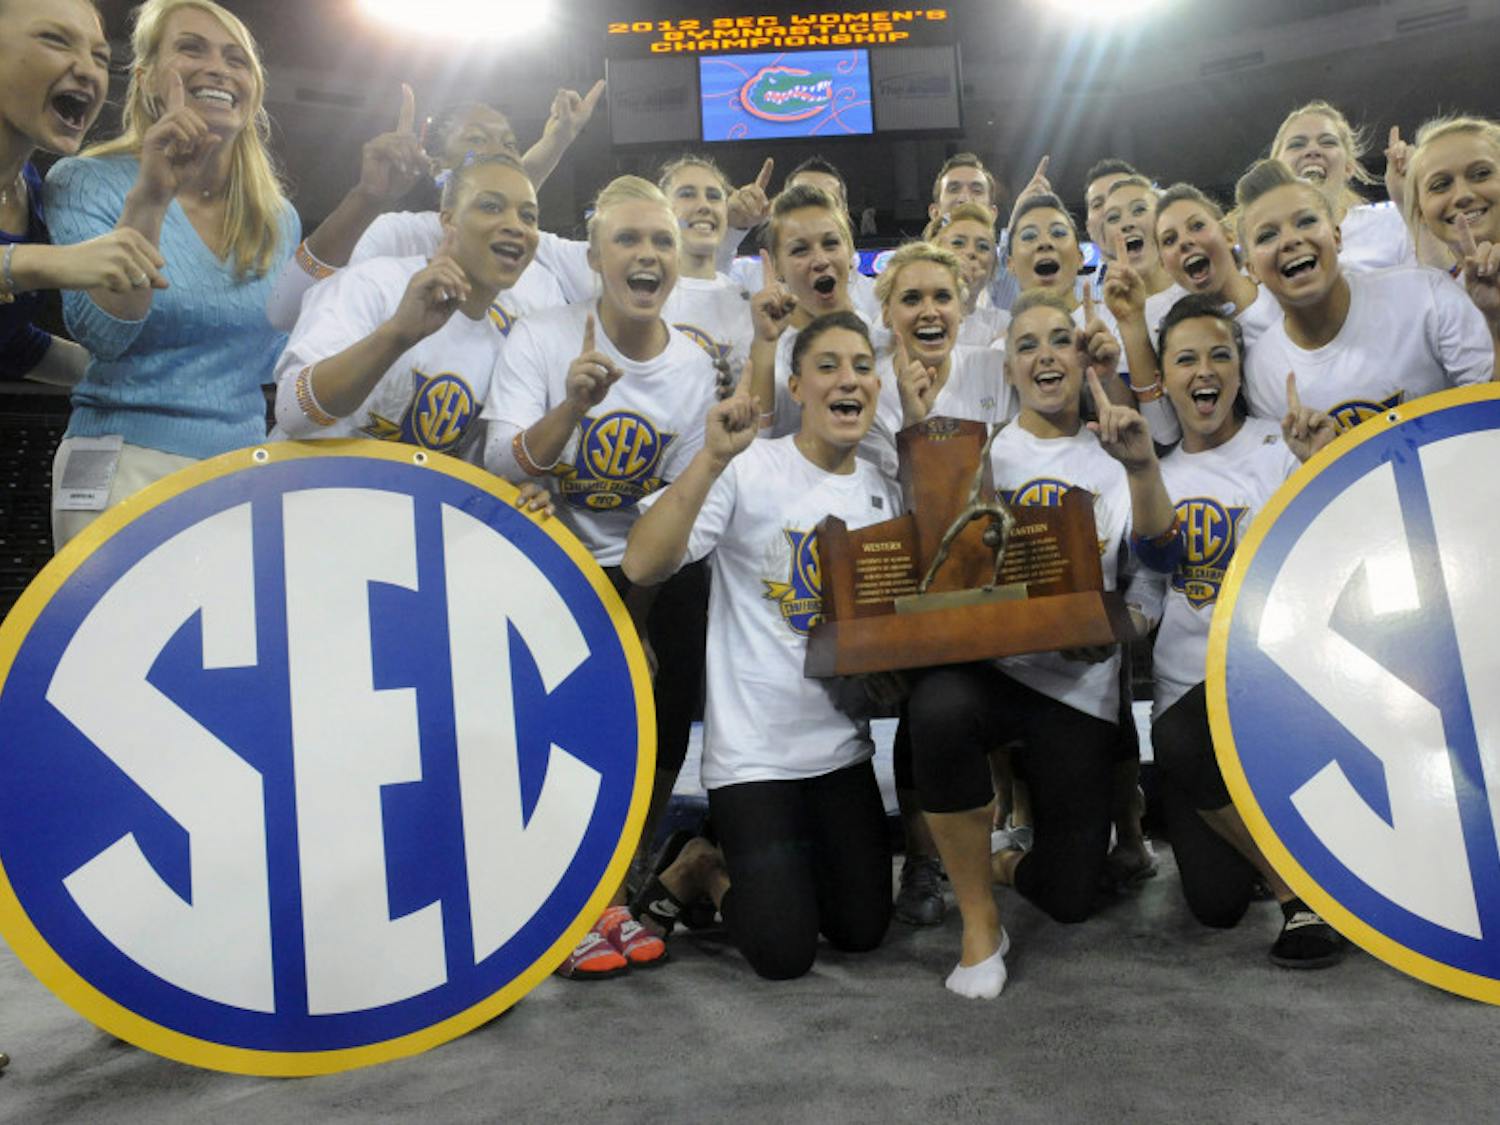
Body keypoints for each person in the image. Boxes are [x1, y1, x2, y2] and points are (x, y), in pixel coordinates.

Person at [483, 175, 720, 978]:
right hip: (554, 566)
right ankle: (563, 903)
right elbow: (501, 460)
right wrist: (572, 408)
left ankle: (614, 894)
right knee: (565, 743)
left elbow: (673, 516)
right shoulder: (542, 338)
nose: (647, 254)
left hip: (649, 576)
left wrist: (638, 626)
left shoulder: (692, 368)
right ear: (595, 256)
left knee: (656, 738)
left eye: (661, 242)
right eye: (629, 239)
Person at [620, 310, 896, 980]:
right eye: (826, 365)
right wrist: (712, 457)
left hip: (840, 750)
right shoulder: (749, 467)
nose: (846, 378)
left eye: (861, 365)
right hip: (755, 759)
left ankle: (749, 862)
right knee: (783, 953)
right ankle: (706, 864)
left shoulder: (884, 490)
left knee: (860, 931)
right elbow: (643, 562)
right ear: (796, 387)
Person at [907, 289, 1151, 999]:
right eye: (1027, 344)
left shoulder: (1119, 454)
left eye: (1061, 340)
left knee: (1073, 895)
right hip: (994, 673)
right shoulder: (978, 456)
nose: (1046, 354)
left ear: (1083, 357)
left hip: (1078, 687)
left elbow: (1147, 586)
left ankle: (1008, 865)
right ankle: (979, 919)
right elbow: (938, 582)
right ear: (1008, 368)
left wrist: (1114, 630)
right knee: (938, 705)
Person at [1090, 292, 1345, 966]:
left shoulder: (1280, 445)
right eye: (1185, 359)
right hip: (1188, 704)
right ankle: (1271, 856)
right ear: (1163, 380)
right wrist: (1102, 631)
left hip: (1277, 688)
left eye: (1219, 355)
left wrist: (1321, 468)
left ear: (1238, 368)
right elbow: (1148, 593)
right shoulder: (1155, 470)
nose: (1204, 371)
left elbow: (1335, 563)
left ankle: (1296, 895)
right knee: (1216, 905)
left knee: (1177, 732)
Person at [45, 0, 299, 548]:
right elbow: (105, 336)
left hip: (244, 466)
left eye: (236, 58)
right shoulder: (83, 181)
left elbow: (274, 363)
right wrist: (153, 196)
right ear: (146, 78)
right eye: (191, 48)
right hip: (118, 464)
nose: (218, 68)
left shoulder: (278, 218)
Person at [874, 239, 1012, 926]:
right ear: (887, 312)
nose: (929, 311)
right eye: (911, 298)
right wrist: (910, 416)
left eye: (941, 297)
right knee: (927, 703)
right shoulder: (866, 384)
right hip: (917, 581)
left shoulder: (994, 368)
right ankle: (925, 858)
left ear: (964, 306)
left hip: (1001, 569)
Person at [267, 86, 606, 330]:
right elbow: (285, 312)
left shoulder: (530, 250)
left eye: (509, 144)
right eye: (476, 139)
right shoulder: (398, 236)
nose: (498, 152)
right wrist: (367, 197)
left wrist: (557, 140)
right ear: (436, 166)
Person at [269, 154, 536, 460]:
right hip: (300, 493)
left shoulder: (506, 346)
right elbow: (291, 410)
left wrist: (526, 491)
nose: (516, 226)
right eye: (491, 206)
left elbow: (478, 472)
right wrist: (395, 337)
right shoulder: (372, 285)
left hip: (402, 506)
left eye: (528, 216)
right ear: (448, 220)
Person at [1234, 159, 1492, 431]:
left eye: (1306, 221)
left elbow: (1491, 401)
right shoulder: (1262, 372)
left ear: (1337, 237)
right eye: (1266, 236)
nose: (1289, 240)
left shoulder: (1423, 295)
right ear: (1251, 270)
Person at [0, 0, 168, 385]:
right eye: (56, 40)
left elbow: (11, 342)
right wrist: (39, 264)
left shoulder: (33, 194)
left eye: (100, 57)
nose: (88, 70)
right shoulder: (42, 251)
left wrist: (151, 379)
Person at [1268, 99, 1414, 273]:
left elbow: (1438, 286)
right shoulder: (1260, 244)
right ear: (1276, 168)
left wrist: (1412, 205)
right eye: (1297, 144)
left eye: (1328, 142)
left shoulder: (1393, 224)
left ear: (1348, 167)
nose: (1312, 150)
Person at [1403, 115, 1500, 366]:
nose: (1463, 195)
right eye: (1440, 185)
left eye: (1481, 174)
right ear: (1421, 214)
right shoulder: (1432, 308)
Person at [657, 154, 752, 392]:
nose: (704, 205)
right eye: (687, 194)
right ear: (661, 209)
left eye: (714, 196)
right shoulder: (638, 297)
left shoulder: (746, 304)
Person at [924, 203, 1009, 348]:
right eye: (958, 243)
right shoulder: (911, 314)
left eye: (983, 247)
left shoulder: (1005, 323)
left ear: (993, 268)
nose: (971, 252)